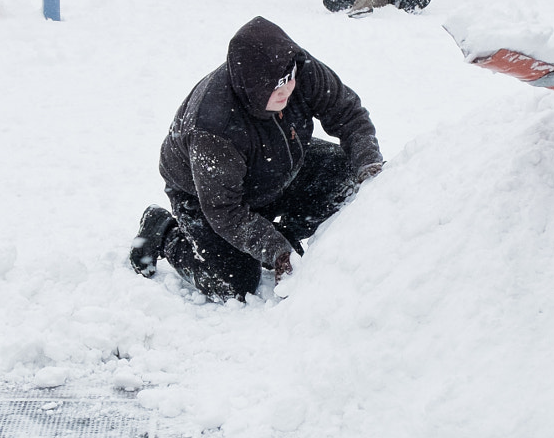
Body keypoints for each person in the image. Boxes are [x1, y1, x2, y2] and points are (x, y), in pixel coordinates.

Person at [130, 17, 384, 301]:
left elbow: (348, 114)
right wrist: (274, 249)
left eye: (288, 80)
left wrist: (368, 166)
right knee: (235, 283)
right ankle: (165, 233)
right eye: (275, 86)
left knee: (345, 173)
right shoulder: (214, 128)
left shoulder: (297, 68)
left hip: (280, 160)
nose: (287, 89)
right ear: (252, 86)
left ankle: (285, 236)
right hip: (209, 197)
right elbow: (225, 211)